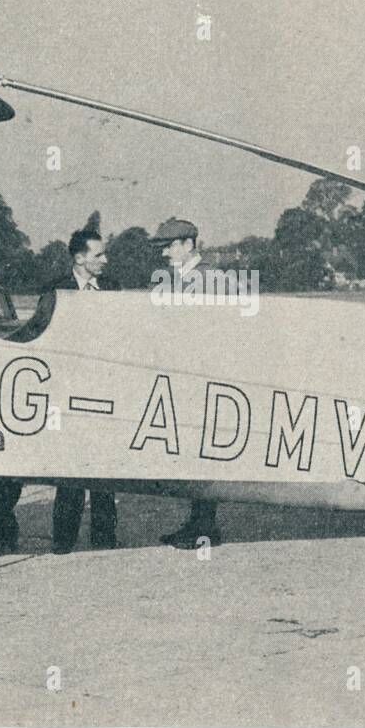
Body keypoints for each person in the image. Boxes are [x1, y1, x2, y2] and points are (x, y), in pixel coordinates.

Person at [149, 217, 225, 550]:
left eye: (169, 246)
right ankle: (197, 523)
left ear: (189, 245)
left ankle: (205, 527)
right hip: (180, 379)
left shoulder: (211, 279)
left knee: (204, 454)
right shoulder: (171, 280)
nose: (164, 253)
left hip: (205, 379)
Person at [49, 229, 121, 553]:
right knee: (69, 471)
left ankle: (104, 540)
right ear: (79, 258)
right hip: (68, 392)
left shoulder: (114, 290)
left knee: (104, 473)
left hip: (105, 390)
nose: (105, 260)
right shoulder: (56, 292)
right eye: (99, 255)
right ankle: (63, 542)